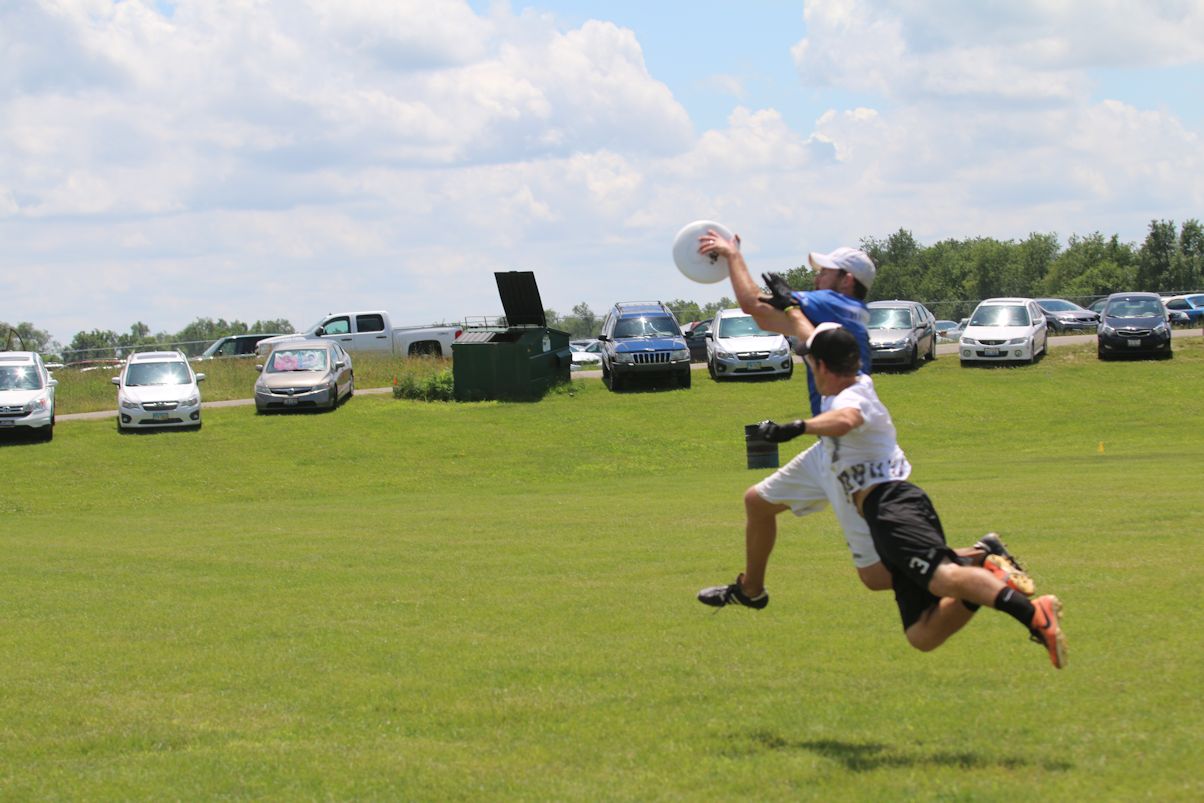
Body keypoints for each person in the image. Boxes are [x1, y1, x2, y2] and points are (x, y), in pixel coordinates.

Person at [700, 317, 1067, 668]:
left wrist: (797, 427)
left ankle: (1034, 614)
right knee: (922, 634)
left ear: (822, 367)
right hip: (882, 511)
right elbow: (809, 336)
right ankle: (984, 567)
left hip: (894, 506)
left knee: (943, 577)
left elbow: (847, 420)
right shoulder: (846, 381)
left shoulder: (850, 398)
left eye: (811, 363)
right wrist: (789, 308)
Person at [693, 231, 1023, 602]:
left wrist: (733, 256)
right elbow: (774, 320)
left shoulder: (831, 303)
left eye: (825, 271)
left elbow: (753, 306)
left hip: (846, 452)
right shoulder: (843, 311)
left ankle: (978, 559)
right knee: (757, 502)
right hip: (829, 446)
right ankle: (751, 590)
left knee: (877, 576)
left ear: (846, 280)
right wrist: (787, 308)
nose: (817, 277)